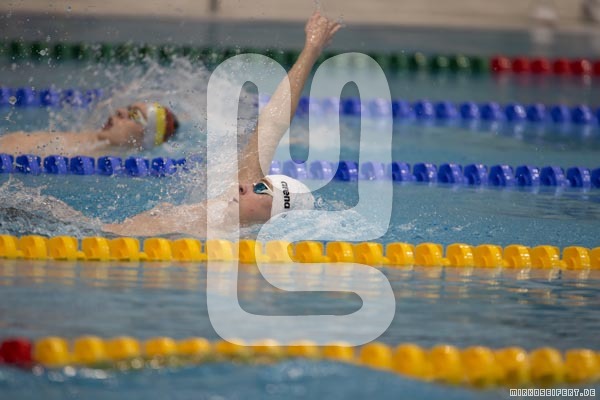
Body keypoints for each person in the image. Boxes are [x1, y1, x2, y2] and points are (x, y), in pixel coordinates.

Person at [102, 11, 341, 237]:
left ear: (273, 218)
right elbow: (272, 121)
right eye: (258, 184)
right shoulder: (234, 192)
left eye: (261, 190)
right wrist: (311, 49)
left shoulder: (235, 246)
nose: (245, 186)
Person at [0, 101, 179, 157]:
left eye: (134, 115)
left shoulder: (90, 162)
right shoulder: (83, 142)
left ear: (145, 136)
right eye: (127, 108)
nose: (120, 111)